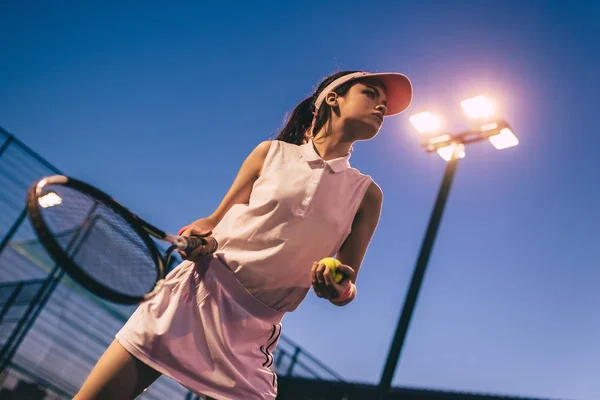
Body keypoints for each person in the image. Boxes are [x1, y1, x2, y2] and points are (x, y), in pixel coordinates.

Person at [73, 70, 412, 400]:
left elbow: (347, 285)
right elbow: (214, 221)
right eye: (370, 94)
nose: (382, 107)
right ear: (333, 99)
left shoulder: (367, 195)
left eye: (384, 103)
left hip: (251, 334)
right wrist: (199, 233)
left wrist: (338, 288)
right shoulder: (270, 154)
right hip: (194, 297)